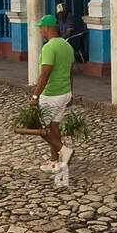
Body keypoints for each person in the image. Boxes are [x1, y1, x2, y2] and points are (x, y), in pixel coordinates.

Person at [31, 14, 75, 172]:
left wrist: (35, 96)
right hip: (64, 93)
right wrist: (71, 93)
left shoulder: (49, 47)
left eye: (41, 27)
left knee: (41, 128)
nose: (40, 30)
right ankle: (54, 162)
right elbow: (70, 73)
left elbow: (44, 74)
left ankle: (64, 151)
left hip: (51, 94)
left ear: (47, 27)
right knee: (54, 127)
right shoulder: (66, 45)